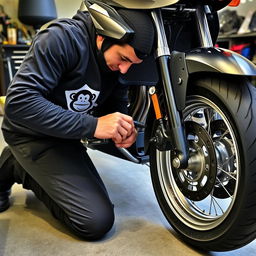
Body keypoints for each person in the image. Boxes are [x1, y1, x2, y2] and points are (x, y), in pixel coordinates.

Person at [0, 2, 155, 240]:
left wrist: (122, 129)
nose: (124, 70)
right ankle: (15, 164)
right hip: (30, 133)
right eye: (123, 58)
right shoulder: (61, 38)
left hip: (66, 135)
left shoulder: (117, 67)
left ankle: (28, 164)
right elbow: (19, 103)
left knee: (96, 219)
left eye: (132, 64)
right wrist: (93, 126)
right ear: (103, 38)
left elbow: (117, 104)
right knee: (94, 223)